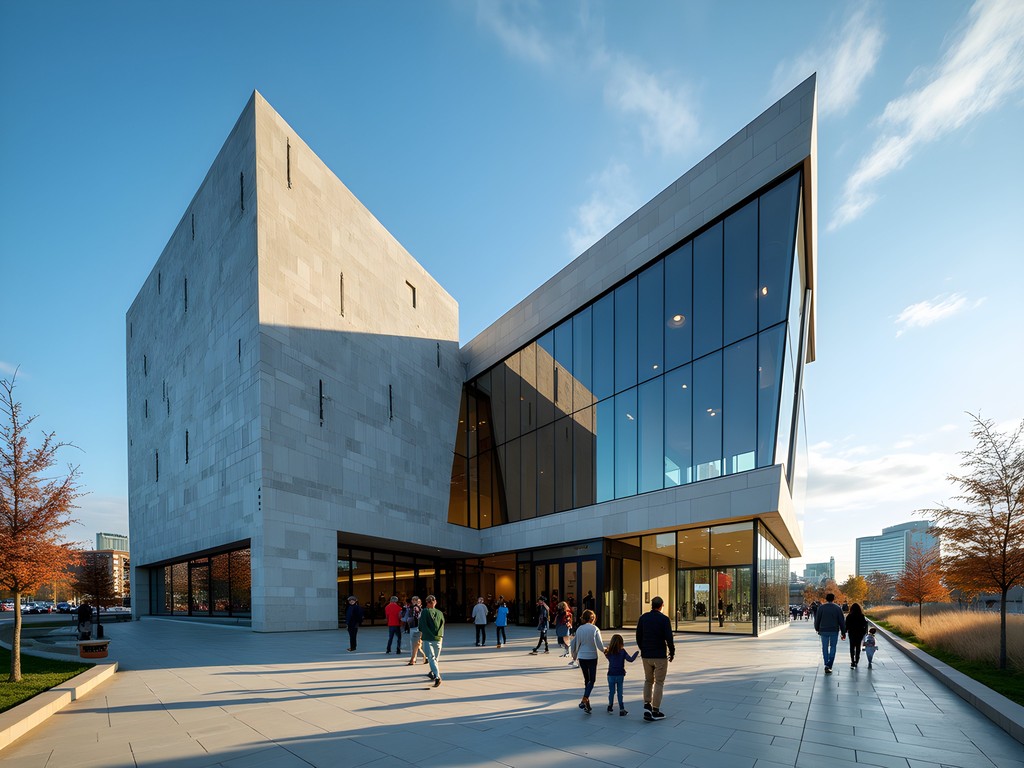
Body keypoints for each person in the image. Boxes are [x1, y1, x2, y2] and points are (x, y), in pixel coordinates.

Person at [636, 596, 675, 721]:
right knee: (659, 682)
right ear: (661, 605)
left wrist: (643, 648)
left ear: (651, 605)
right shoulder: (664, 619)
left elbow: (638, 636)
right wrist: (672, 652)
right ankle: (655, 709)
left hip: (646, 655)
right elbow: (669, 638)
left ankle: (647, 704)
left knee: (648, 680)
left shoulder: (643, 618)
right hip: (659, 655)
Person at [570, 609, 604, 713]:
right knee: (592, 680)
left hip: (582, 656)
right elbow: (600, 645)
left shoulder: (580, 629)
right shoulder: (595, 629)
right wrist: (606, 650)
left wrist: (575, 655)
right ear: (592, 618)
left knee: (586, 680)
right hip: (592, 656)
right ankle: (584, 699)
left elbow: (576, 642)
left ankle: (587, 705)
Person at [604, 633, 638, 716]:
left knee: (611, 692)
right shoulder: (622, 651)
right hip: (620, 674)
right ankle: (621, 709)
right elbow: (630, 659)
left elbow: (610, 659)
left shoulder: (609, 652)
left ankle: (610, 706)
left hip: (611, 674)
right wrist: (636, 653)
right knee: (620, 692)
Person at [813, 592, 846, 673]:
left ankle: (826, 663)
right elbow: (841, 621)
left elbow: (817, 619)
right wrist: (843, 632)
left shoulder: (821, 608)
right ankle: (830, 664)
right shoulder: (837, 608)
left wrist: (817, 628)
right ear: (833, 599)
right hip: (834, 630)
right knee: (833, 647)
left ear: (826, 599)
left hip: (823, 630)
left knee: (824, 647)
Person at [419, 595, 445, 687]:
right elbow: (442, 625)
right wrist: (440, 636)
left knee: (431, 658)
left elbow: (422, 625)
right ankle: (433, 672)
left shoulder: (425, 612)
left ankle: (437, 676)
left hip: (428, 638)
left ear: (427, 602)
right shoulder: (440, 613)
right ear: (435, 602)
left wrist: (423, 633)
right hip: (438, 638)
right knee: (435, 658)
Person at [406, 596, 428, 666]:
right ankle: (422, 658)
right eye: (414, 600)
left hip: (415, 627)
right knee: (418, 644)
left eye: (416, 601)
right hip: (417, 627)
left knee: (414, 644)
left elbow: (415, 617)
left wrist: (408, 619)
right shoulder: (421, 609)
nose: (414, 602)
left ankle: (414, 659)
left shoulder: (415, 608)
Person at [845, 603, 868, 668]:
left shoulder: (849, 616)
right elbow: (864, 624)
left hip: (852, 633)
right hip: (859, 633)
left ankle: (852, 660)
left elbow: (846, 625)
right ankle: (857, 659)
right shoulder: (861, 616)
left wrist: (844, 632)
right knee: (858, 646)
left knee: (852, 647)